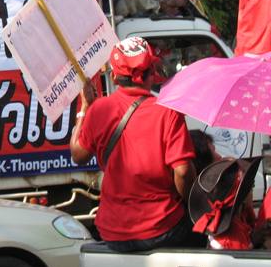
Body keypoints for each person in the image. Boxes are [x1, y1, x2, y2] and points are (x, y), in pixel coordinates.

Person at [70, 37, 201, 252]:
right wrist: (192, 204)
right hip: (163, 228)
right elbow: (183, 171)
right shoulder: (167, 111)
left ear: (113, 76)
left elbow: (77, 154)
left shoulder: (98, 110)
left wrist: (85, 108)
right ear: (151, 73)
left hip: (112, 233)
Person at [189, 157, 268, 250]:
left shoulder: (240, 216)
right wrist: (253, 242)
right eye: (251, 186)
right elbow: (241, 260)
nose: (252, 190)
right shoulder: (230, 237)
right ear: (241, 197)